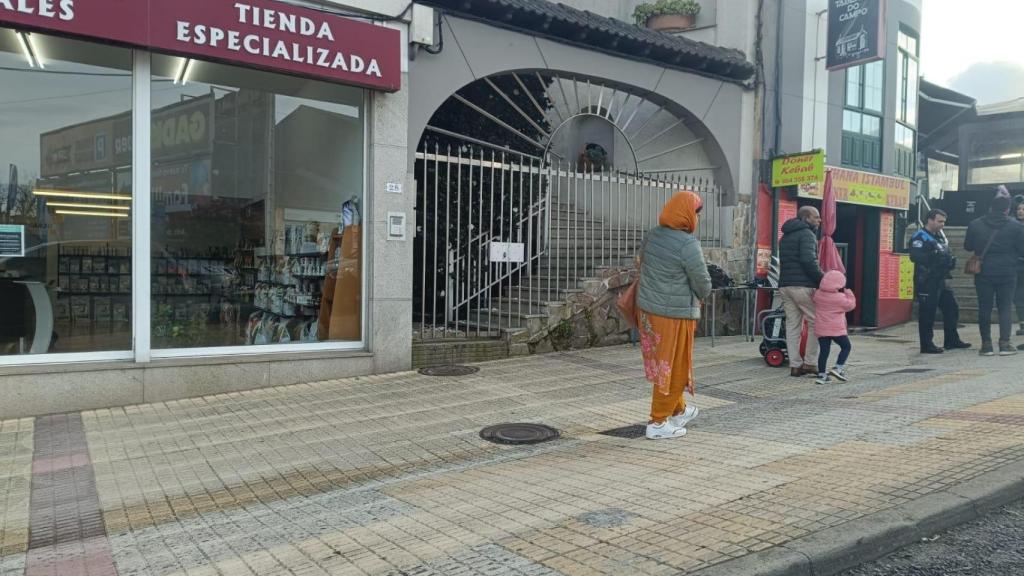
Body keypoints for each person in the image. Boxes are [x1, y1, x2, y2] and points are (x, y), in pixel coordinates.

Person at [636, 191, 712, 440]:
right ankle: (657, 424)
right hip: (674, 315)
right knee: (673, 366)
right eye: (697, 212)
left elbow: (642, 263)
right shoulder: (687, 244)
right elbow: (702, 282)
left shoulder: (653, 235)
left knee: (662, 362)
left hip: (648, 311)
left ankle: (678, 410)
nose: (697, 217)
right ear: (687, 213)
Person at [964, 187, 1024, 356]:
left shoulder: (975, 224)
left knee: (984, 308)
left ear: (991, 207)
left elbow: (967, 246)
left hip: (984, 272)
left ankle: (986, 345)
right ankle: (1005, 344)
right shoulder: (1016, 226)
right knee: (1005, 308)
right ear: (1007, 209)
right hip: (1008, 272)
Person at [909, 209, 970, 354]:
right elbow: (915, 256)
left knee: (951, 308)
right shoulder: (920, 236)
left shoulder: (939, 237)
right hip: (926, 280)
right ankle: (926, 344)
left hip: (940, 279)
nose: (942, 224)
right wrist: (935, 256)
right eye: (940, 221)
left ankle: (951, 340)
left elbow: (945, 254)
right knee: (927, 313)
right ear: (930, 220)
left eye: (944, 222)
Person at [778, 206, 824, 377]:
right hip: (802, 286)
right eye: (816, 217)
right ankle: (810, 362)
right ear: (806, 218)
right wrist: (822, 279)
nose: (819, 220)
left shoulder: (785, 236)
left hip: (785, 285)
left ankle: (795, 365)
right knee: (816, 322)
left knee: (792, 325)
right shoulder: (807, 234)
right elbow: (808, 261)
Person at [812, 270, 856, 385]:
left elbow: (814, 299)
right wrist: (849, 292)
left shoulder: (818, 294)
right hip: (836, 329)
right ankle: (838, 368)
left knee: (824, 351)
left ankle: (822, 375)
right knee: (846, 346)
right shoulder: (840, 298)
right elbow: (851, 305)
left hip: (821, 329)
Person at [1013, 194, 1024, 338]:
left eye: (1023, 209)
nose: (1020, 211)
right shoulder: (1012, 226)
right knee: (1019, 297)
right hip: (1017, 266)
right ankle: (1022, 325)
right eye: (1019, 209)